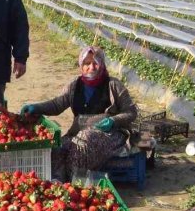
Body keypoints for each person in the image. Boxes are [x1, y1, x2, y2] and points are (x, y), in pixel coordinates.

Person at [20, 46, 136, 182]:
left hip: (109, 135)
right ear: (81, 65)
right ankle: (57, 181)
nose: (91, 67)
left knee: (82, 143)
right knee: (58, 146)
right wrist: (36, 107)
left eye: (95, 63)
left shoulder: (113, 85)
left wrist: (113, 121)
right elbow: (57, 105)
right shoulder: (75, 85)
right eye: (87, 63)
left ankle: (74, 183)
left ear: (102, 64)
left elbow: (131, 112)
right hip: (78, 132)